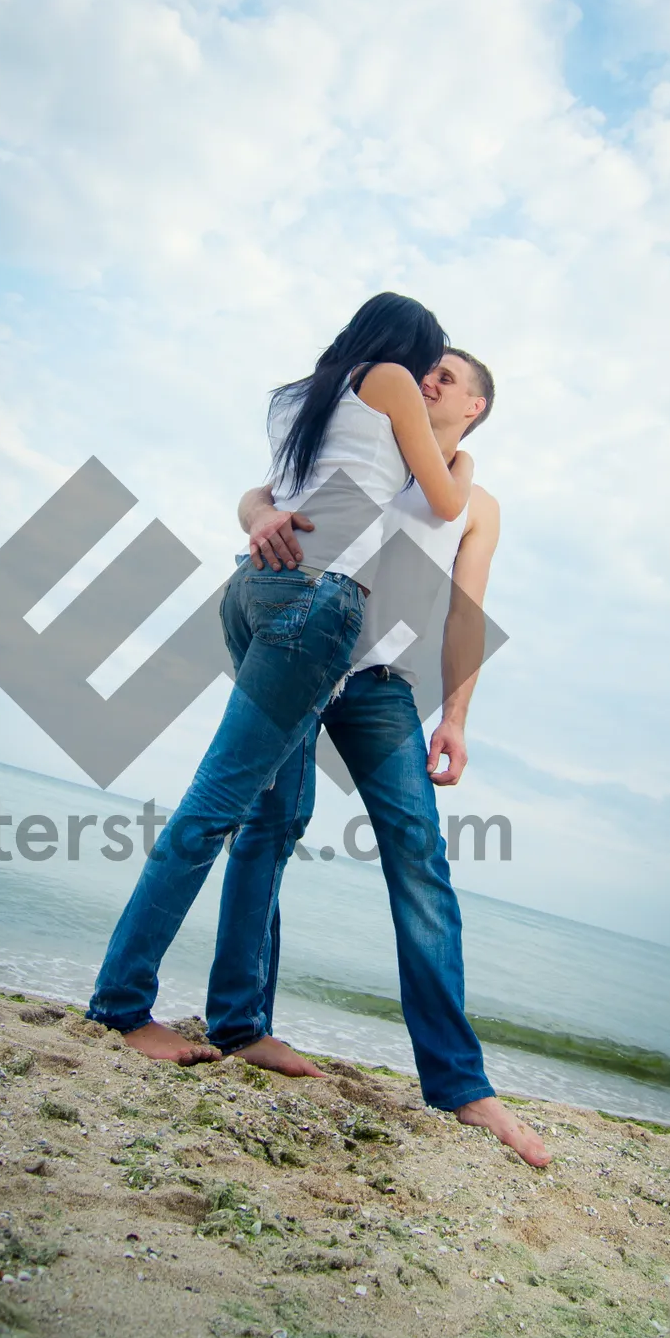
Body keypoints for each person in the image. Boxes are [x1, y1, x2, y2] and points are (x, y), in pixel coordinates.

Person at [87, 292, 473, 1063]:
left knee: (278, 807)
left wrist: (251, 512)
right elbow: (446, 497)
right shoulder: (391, 379)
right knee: (218, 804)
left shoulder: (300, 394)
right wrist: (463, 458)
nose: (426, 377)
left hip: (254, 590)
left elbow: (269, 493)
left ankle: (240, 1025)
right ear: (408, 346)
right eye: (430, 360)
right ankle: (122, 1006)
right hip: (316, 600)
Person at [213, 348, 552, 1168]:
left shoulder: (477, 504)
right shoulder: (376, 446)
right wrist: (253, 508)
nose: (427, 379)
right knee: (267, 829)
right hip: (296, 653)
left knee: (420, 860)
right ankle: (240, 1027)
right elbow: (267, 493)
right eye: (425, 368)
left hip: (379, 686)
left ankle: (460, 1084)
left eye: (448, 377)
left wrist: (458, 718)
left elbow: (466, 613)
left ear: (473, 408)